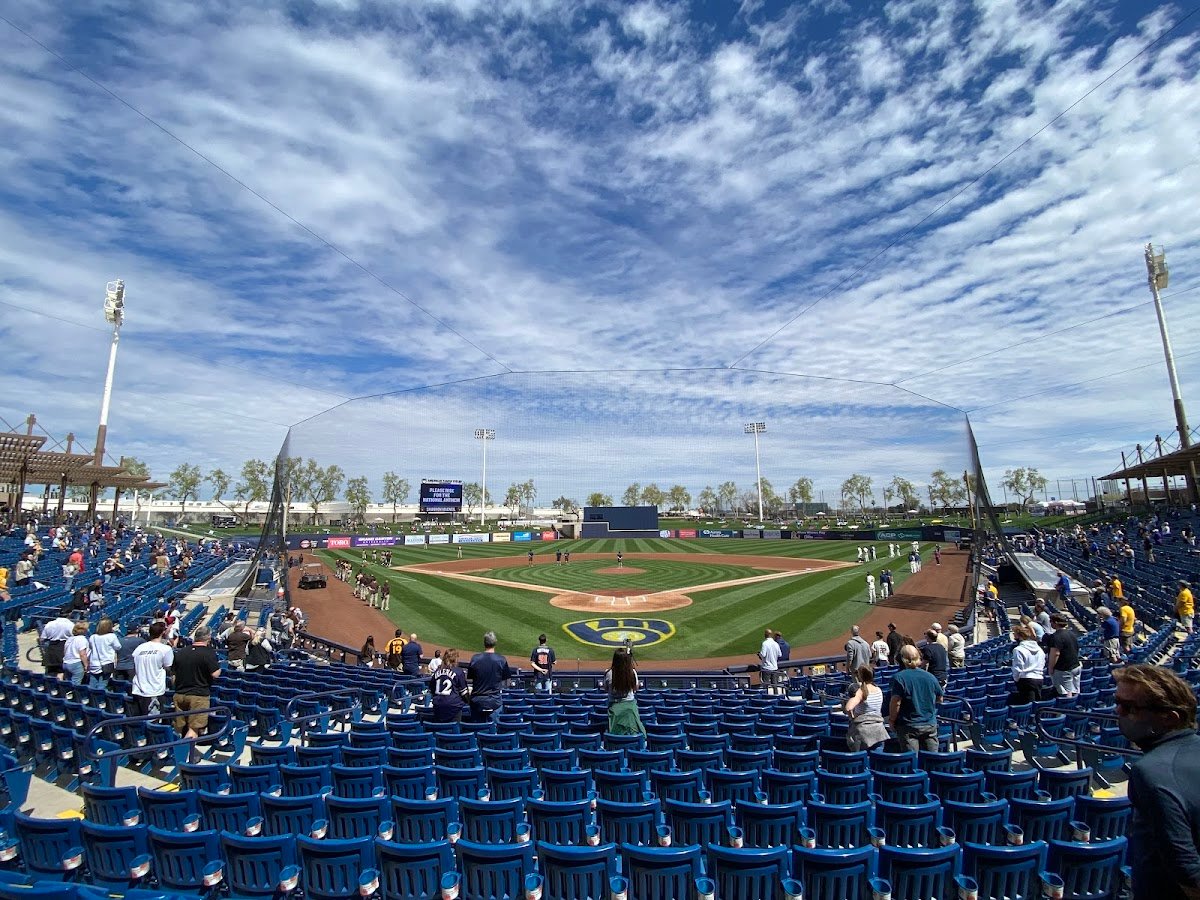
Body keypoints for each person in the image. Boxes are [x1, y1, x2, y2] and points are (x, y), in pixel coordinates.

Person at [1113, 664, 1200, 899]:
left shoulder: (1150, 772)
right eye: (1117, 702)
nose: (1118, 711)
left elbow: (1189, 873)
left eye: (1129, 707)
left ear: (1169, 718)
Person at [888, 645, 944, 752]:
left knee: (912, 759)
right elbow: (940, 699)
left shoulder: (899, 677)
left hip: (908, 725)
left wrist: (891, 720)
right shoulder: (930, 676)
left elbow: (896, 703)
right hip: (929, 723)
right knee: (932, 758)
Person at [171, 626, 221, 741]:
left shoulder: (181, 652)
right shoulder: (208, 653)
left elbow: (173, 676)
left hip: (179, 693)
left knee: (179, 728)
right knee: (193, 729)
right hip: (198, 695)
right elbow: (215, 674)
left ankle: (175, 748)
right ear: (208, 638)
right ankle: (185, 751)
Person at [467, 631, 513, 723]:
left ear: (484, 643)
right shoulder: (501, 659)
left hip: (477, 701)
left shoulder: (475, 659)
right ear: (495, 642)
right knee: (493, 729)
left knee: (476, 729)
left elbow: (470, 678)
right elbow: (507, 682)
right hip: (494, 702)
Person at [131, 621, 174, 718]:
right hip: (154, 690)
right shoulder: (165, 649)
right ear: (163, 633)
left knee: (140, 719)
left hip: (138, 689)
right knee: (153, 720)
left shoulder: (139, 648)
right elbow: (168, 667)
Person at [844, 665, 889, 751]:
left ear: (860, 676)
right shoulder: (878, 690)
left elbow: (848, 708)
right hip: (879, 730)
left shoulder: (861, 692)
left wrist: (852, 718)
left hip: (863, 732)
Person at [605, 649, 645, 735]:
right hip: (630, 705)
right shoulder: (632, 672)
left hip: (614, 705)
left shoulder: (608, 673)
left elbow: (606, 688)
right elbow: (636, 688)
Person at [1045, 614, 1082, 698]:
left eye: (1051, 621)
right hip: (1076, 665)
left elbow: (1055, 654)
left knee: (1067, 693)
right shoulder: (1071, 633)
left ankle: (1069, 706)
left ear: (1056, 623)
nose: (1050, 623)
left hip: (1064, 669)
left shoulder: (1056, 636)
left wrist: (1050, 668)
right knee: (1075, 690)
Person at [1010, 623, 1045, 705]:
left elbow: (1018, 667)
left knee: (1027, 705)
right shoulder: (1039, 649)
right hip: (1039, 679)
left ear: (1019, 636)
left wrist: (1016, 679)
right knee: (1035, 704)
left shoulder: (1018, 649)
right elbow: (1042, 663)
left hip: (1025, 680)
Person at [430, 648, 469, 722]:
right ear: (455, 659)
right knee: (454, 727)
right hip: (454, 706)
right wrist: (469, 702)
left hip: (438, 706)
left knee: (440, 727)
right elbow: (464, 693)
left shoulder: (437, 671)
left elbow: (432, 689)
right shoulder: (458, 671)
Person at [87, 618, 122, 689]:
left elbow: (90, 647)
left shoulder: (93, 637)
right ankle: (99, 696)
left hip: (94, 663)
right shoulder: (111, 636)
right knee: (102, 684)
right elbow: (118, 647)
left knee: (92, 684)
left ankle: (91, 696)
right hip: (106, 663)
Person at [40, 612, 75, 679]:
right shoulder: (71, 624)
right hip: (64, 648)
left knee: (50, 672)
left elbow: (42, 638)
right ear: (69, 614)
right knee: (61, 671)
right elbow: (74, 637)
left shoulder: (50, 624)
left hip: (52, 648)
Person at [63, 620, 91, 685]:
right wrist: (86, 665)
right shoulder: (82, 639)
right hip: (76, 664)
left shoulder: (70, 639)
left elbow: (65, 651)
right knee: (75, 684)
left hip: (66, 663)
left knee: (68, 683)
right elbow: (82, 654)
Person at [759, 628, 781, 694]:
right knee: (775, 685)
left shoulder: (765, 643)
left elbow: (763, 655)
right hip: (774, 667)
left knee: (765, 685)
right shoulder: (776, 643)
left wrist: (759, 654)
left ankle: (766, 697)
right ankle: (776, 697)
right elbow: (780, 654)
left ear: (765, 635)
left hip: (767, 668)